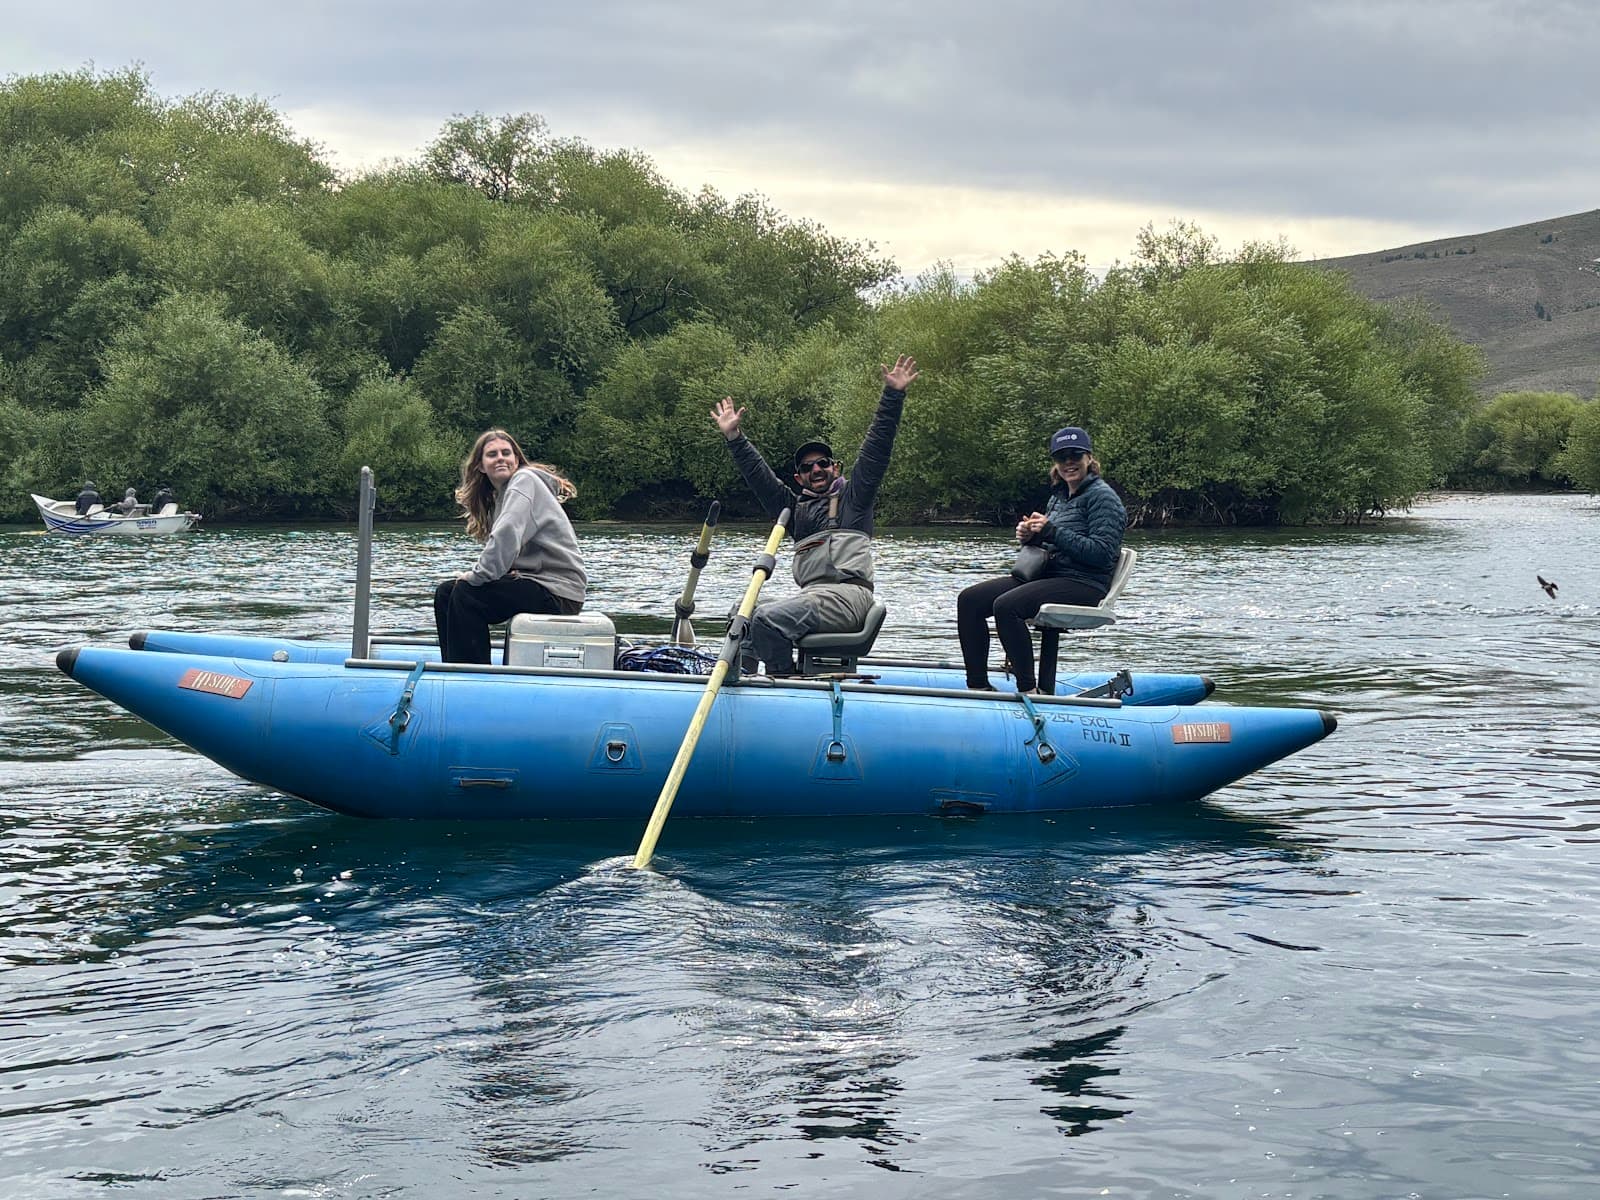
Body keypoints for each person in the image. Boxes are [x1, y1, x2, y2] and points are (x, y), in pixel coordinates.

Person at [712, 355, 919, 676]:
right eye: (807, 467)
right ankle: (745, 679)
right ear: (800, 478)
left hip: (850, 598)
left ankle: (783, 679)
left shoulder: (855, 498)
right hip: (812, 598)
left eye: (823, 463)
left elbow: (877, 447)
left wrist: (893, 395)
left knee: (767, 619)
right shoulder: (795, 511)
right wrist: (734, 438)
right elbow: (759, 477)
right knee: (740, 613)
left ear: (834, 467)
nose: (817, 469)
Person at [957, 425, 1127, 693]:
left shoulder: (1103, 498)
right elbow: (1051, 543)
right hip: (1051, 575)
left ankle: (1028, 689)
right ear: (1055, 463)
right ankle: (978, 686)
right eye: (1062, 457)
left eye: (1075, 455)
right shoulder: (1059, 497)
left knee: (1007, 606)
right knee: (970, 600)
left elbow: (1101, 553)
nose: (1069, 462)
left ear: (1089, 458)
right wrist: (1030, 536)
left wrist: (1052, 531)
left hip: (1085, 583)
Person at [433, 428, 588, 664]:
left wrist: (476, 576)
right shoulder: (500, 497)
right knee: (446, 593)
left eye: (507, 453)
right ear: (481, 466)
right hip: (536, 583)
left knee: (466, 594)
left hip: (558, 592)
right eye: (492, 454)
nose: (501, 458)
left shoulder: (523, 481)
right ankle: (455, 669)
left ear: (516, 460)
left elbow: (506, 536)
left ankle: (471, 677)